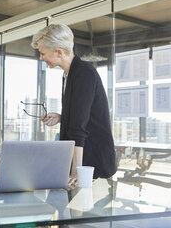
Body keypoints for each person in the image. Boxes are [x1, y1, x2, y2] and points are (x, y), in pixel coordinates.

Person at [31, 24, 117, 184]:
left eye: (43, 53)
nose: (41, 58)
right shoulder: (69, 74)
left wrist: (76, 171)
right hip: (83, 163)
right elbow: (83, 114)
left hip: (91, 166)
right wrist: (62, 117)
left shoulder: (83, 73)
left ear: (59, 51)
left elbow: (79, 128)